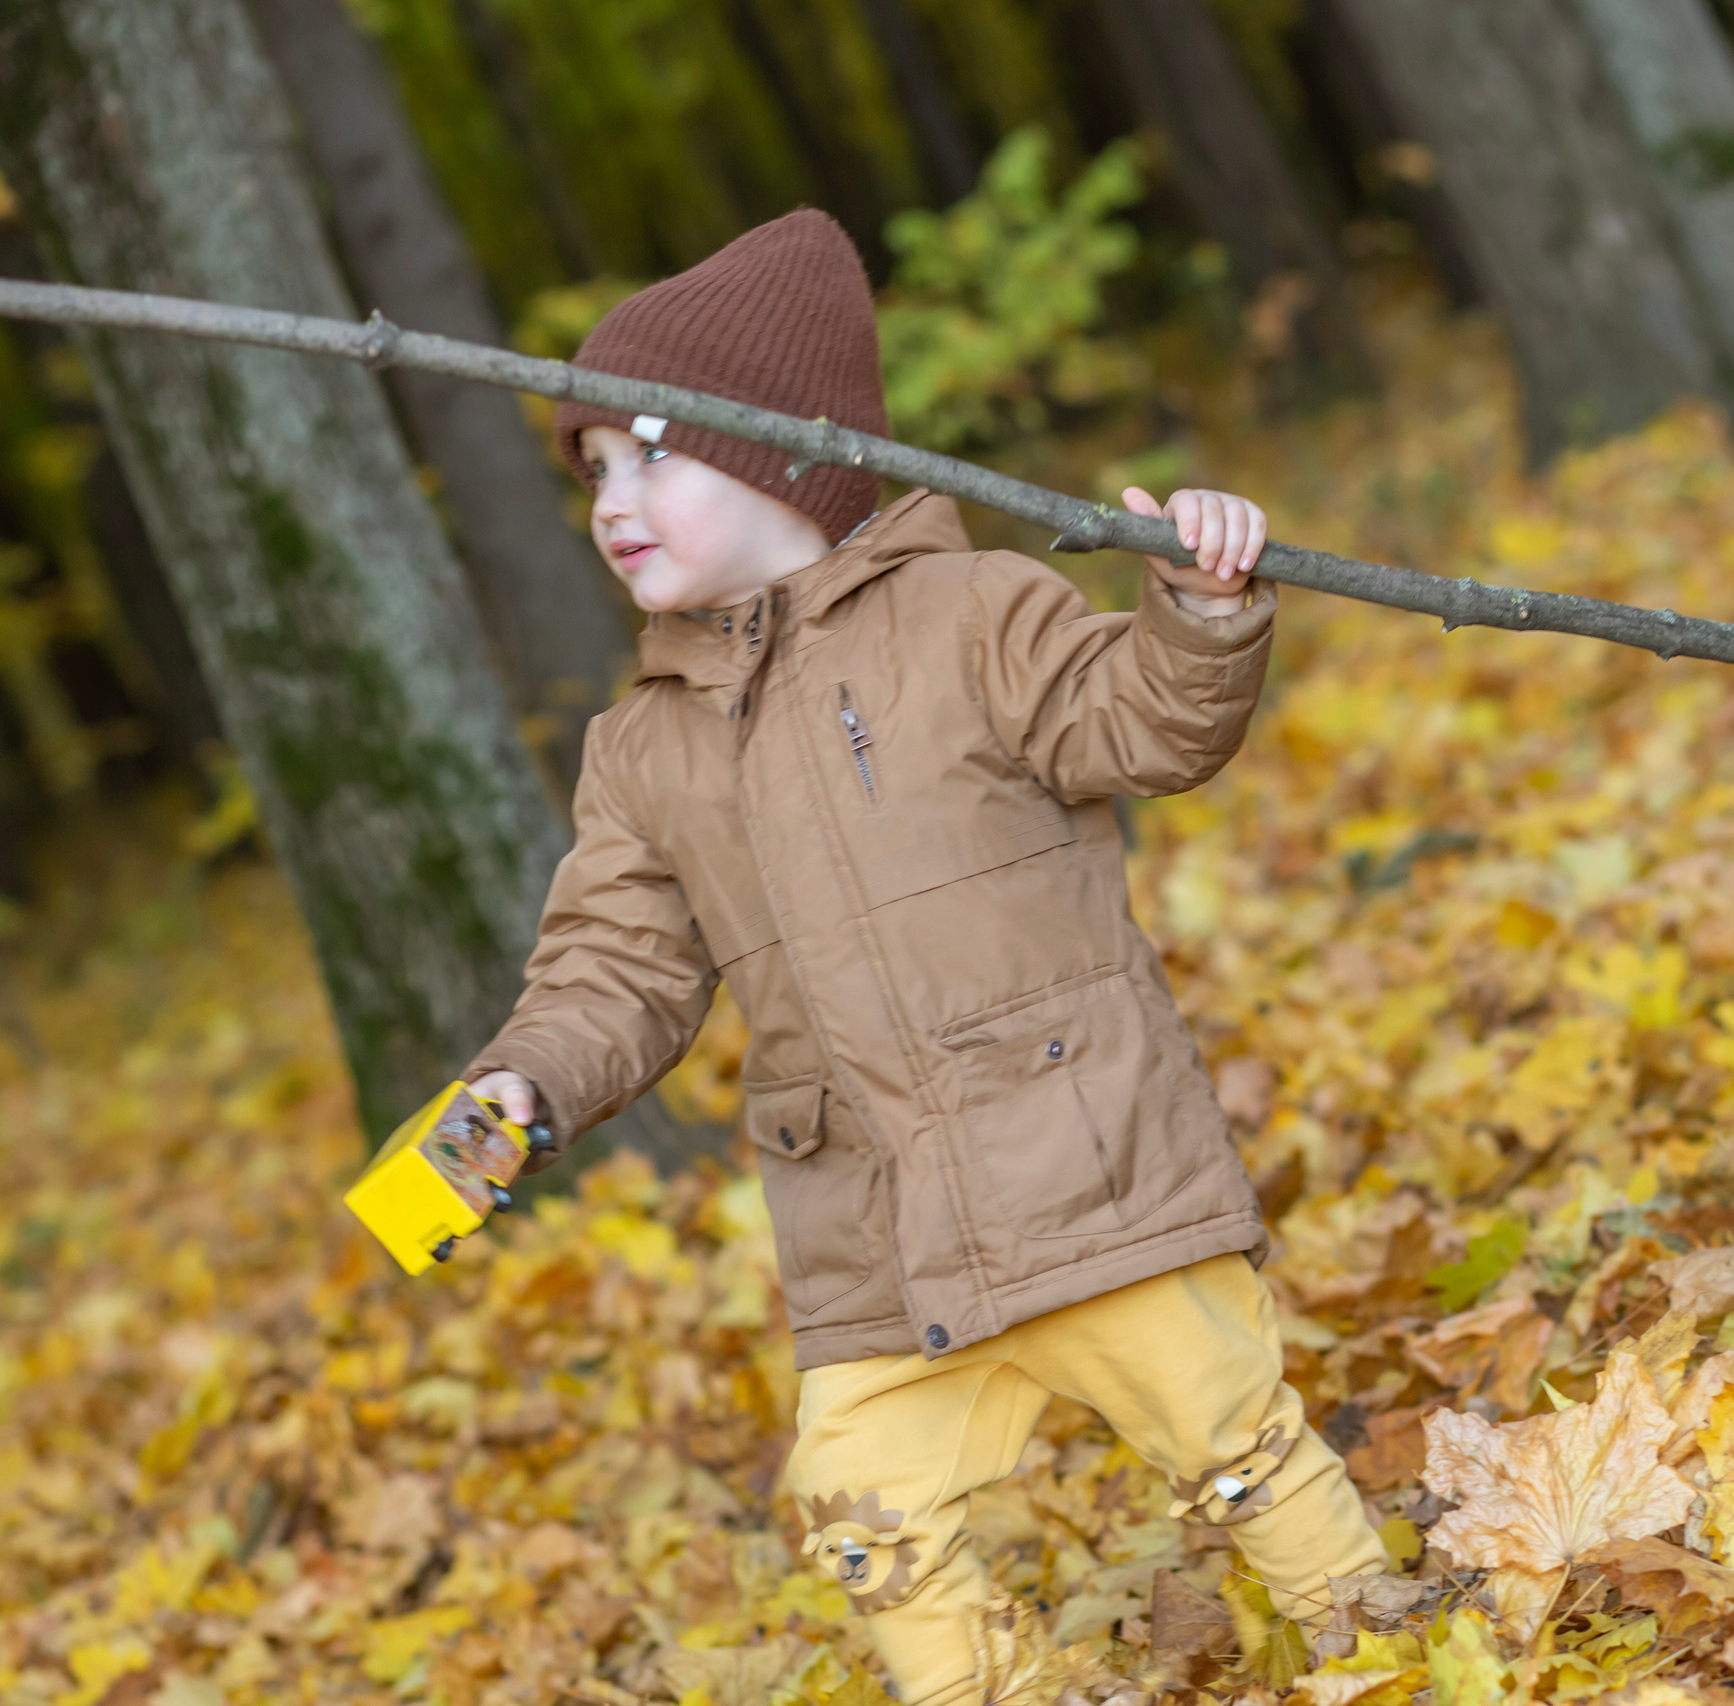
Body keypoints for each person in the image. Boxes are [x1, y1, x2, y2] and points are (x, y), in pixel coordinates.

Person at [457, 209, 1387, 1700]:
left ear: (784, 457)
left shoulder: (972, 615)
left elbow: (1139, 721)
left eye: (648, 455)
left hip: (1083, 1165)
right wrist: (524, 1081)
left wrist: (1203, 609)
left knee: (1235, 1445)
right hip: (875, 1236)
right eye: (592, 471)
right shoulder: (642, 746)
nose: (610, 501)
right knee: (863, 1509)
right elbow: (614, 967)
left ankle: (1395, 1653)